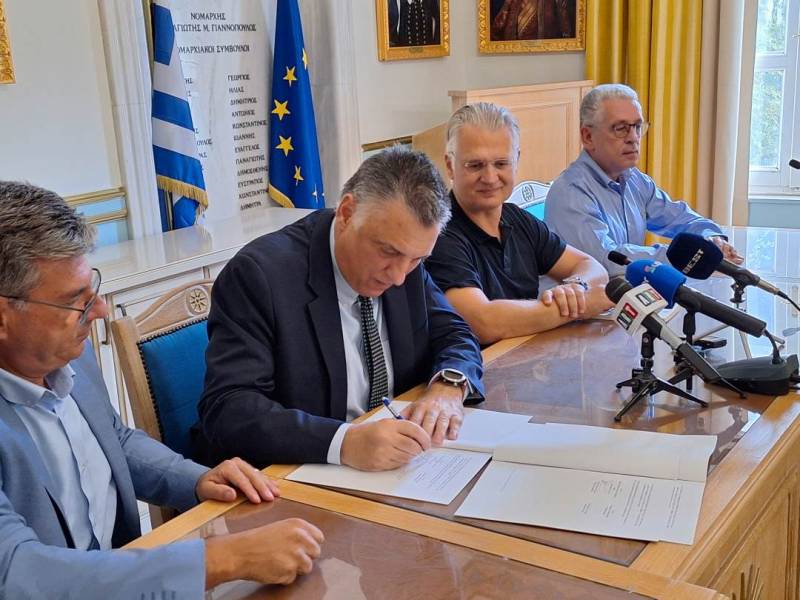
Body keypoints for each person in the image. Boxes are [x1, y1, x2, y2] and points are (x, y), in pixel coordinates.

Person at [0, 182, 324, 599]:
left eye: (92, 289)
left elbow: (113, 439)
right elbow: (17, 572)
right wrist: (218, 560)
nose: (99, 311)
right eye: (74, 301)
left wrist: (197, 479)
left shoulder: (65, 352)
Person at [196, 146, 484, 471]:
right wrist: (344, 442)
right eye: (388, 252)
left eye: (416, 259)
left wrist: (448, 385)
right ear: (347, 213)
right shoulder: (259, 276)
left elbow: (455, 332)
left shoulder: (405, 257)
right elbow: (229, 409)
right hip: (292, 476)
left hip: (400, 465)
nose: (399, 277)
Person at [425, 103, 611, 346]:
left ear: (516, 161)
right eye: (475, 165)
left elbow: (592, 268)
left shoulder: (518, 218)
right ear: (450, 165)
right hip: (476, 366)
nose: (490, 177)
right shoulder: (439, 234)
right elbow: (483, 323)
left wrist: (575, 289)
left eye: (501, 163)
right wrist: (575, 306)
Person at [544, 83, 743, 276]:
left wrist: (711, 239)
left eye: (638, 127)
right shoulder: (571, 192)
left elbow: (677, 216)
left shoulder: (634, 179)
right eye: (620, 128)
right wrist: (686, 257)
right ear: (588, 136)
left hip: (628, 291)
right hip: (590, 297)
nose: (633, 138)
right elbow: (607, 260)